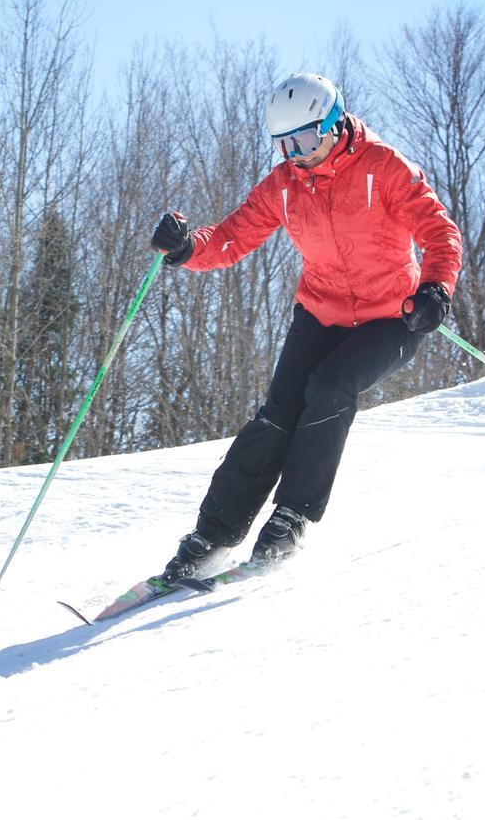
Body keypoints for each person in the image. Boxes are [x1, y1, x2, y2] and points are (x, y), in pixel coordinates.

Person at [150, 72, 463, 583]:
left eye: (306, 139)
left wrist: (435, 289)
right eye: (285, 144)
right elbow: (233, 235)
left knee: (331, 387)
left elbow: (439, 230)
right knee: (278, 413)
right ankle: (214, 533)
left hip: (393, 317)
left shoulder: (383, 167)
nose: (297, 153)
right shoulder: (286, 184)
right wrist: (187, 249)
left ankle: (292, 515)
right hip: (321, 311)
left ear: (336, 123)